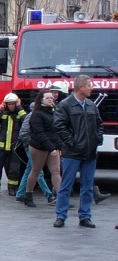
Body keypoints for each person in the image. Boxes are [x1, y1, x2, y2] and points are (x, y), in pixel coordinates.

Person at [52, 74, 103, 228]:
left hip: (89, 153)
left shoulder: (91, 105)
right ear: (81, 87)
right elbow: (59, 125)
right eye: (89, 85)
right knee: (66, 185)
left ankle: (85, 216)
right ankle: (61, 216)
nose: (91, 88)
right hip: (72, 153)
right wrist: (72, 142)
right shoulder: (66, 105)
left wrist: (96, 139)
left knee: (87, 187)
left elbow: (99, 124)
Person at [23, 90, 62, 207]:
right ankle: (28, 195)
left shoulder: (54, 113)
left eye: (51, 98)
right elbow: (39, 133)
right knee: (36, 171)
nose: (51, 99)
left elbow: (56, 131)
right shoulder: (37, 114)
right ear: (41, 100)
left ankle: (61, 198)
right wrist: (51, 148)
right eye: (48, 98)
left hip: (52, 146)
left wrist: (59, 146)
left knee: (56, 171)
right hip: (38, 146)